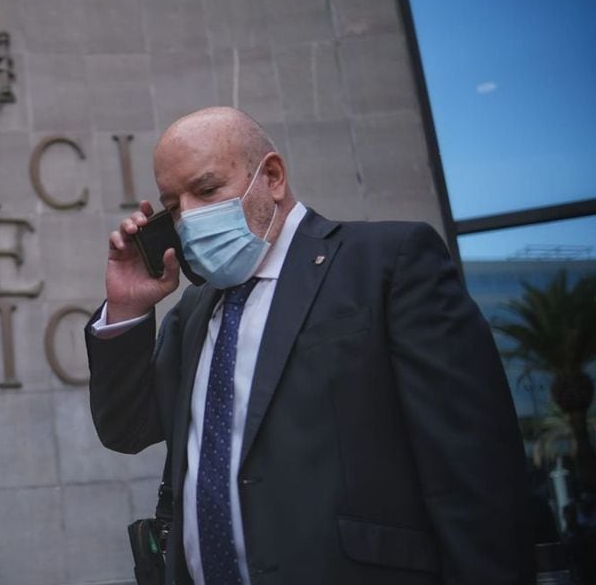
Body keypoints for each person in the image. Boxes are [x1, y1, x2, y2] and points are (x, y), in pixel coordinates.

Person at [86, 107, 533, 584]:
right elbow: (126, 429)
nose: (189, 217)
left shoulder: (388, 263)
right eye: (174, 205)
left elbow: (474, 475)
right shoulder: (193, 311)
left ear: (272, 176)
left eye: (208, 189)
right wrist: (128, 309)